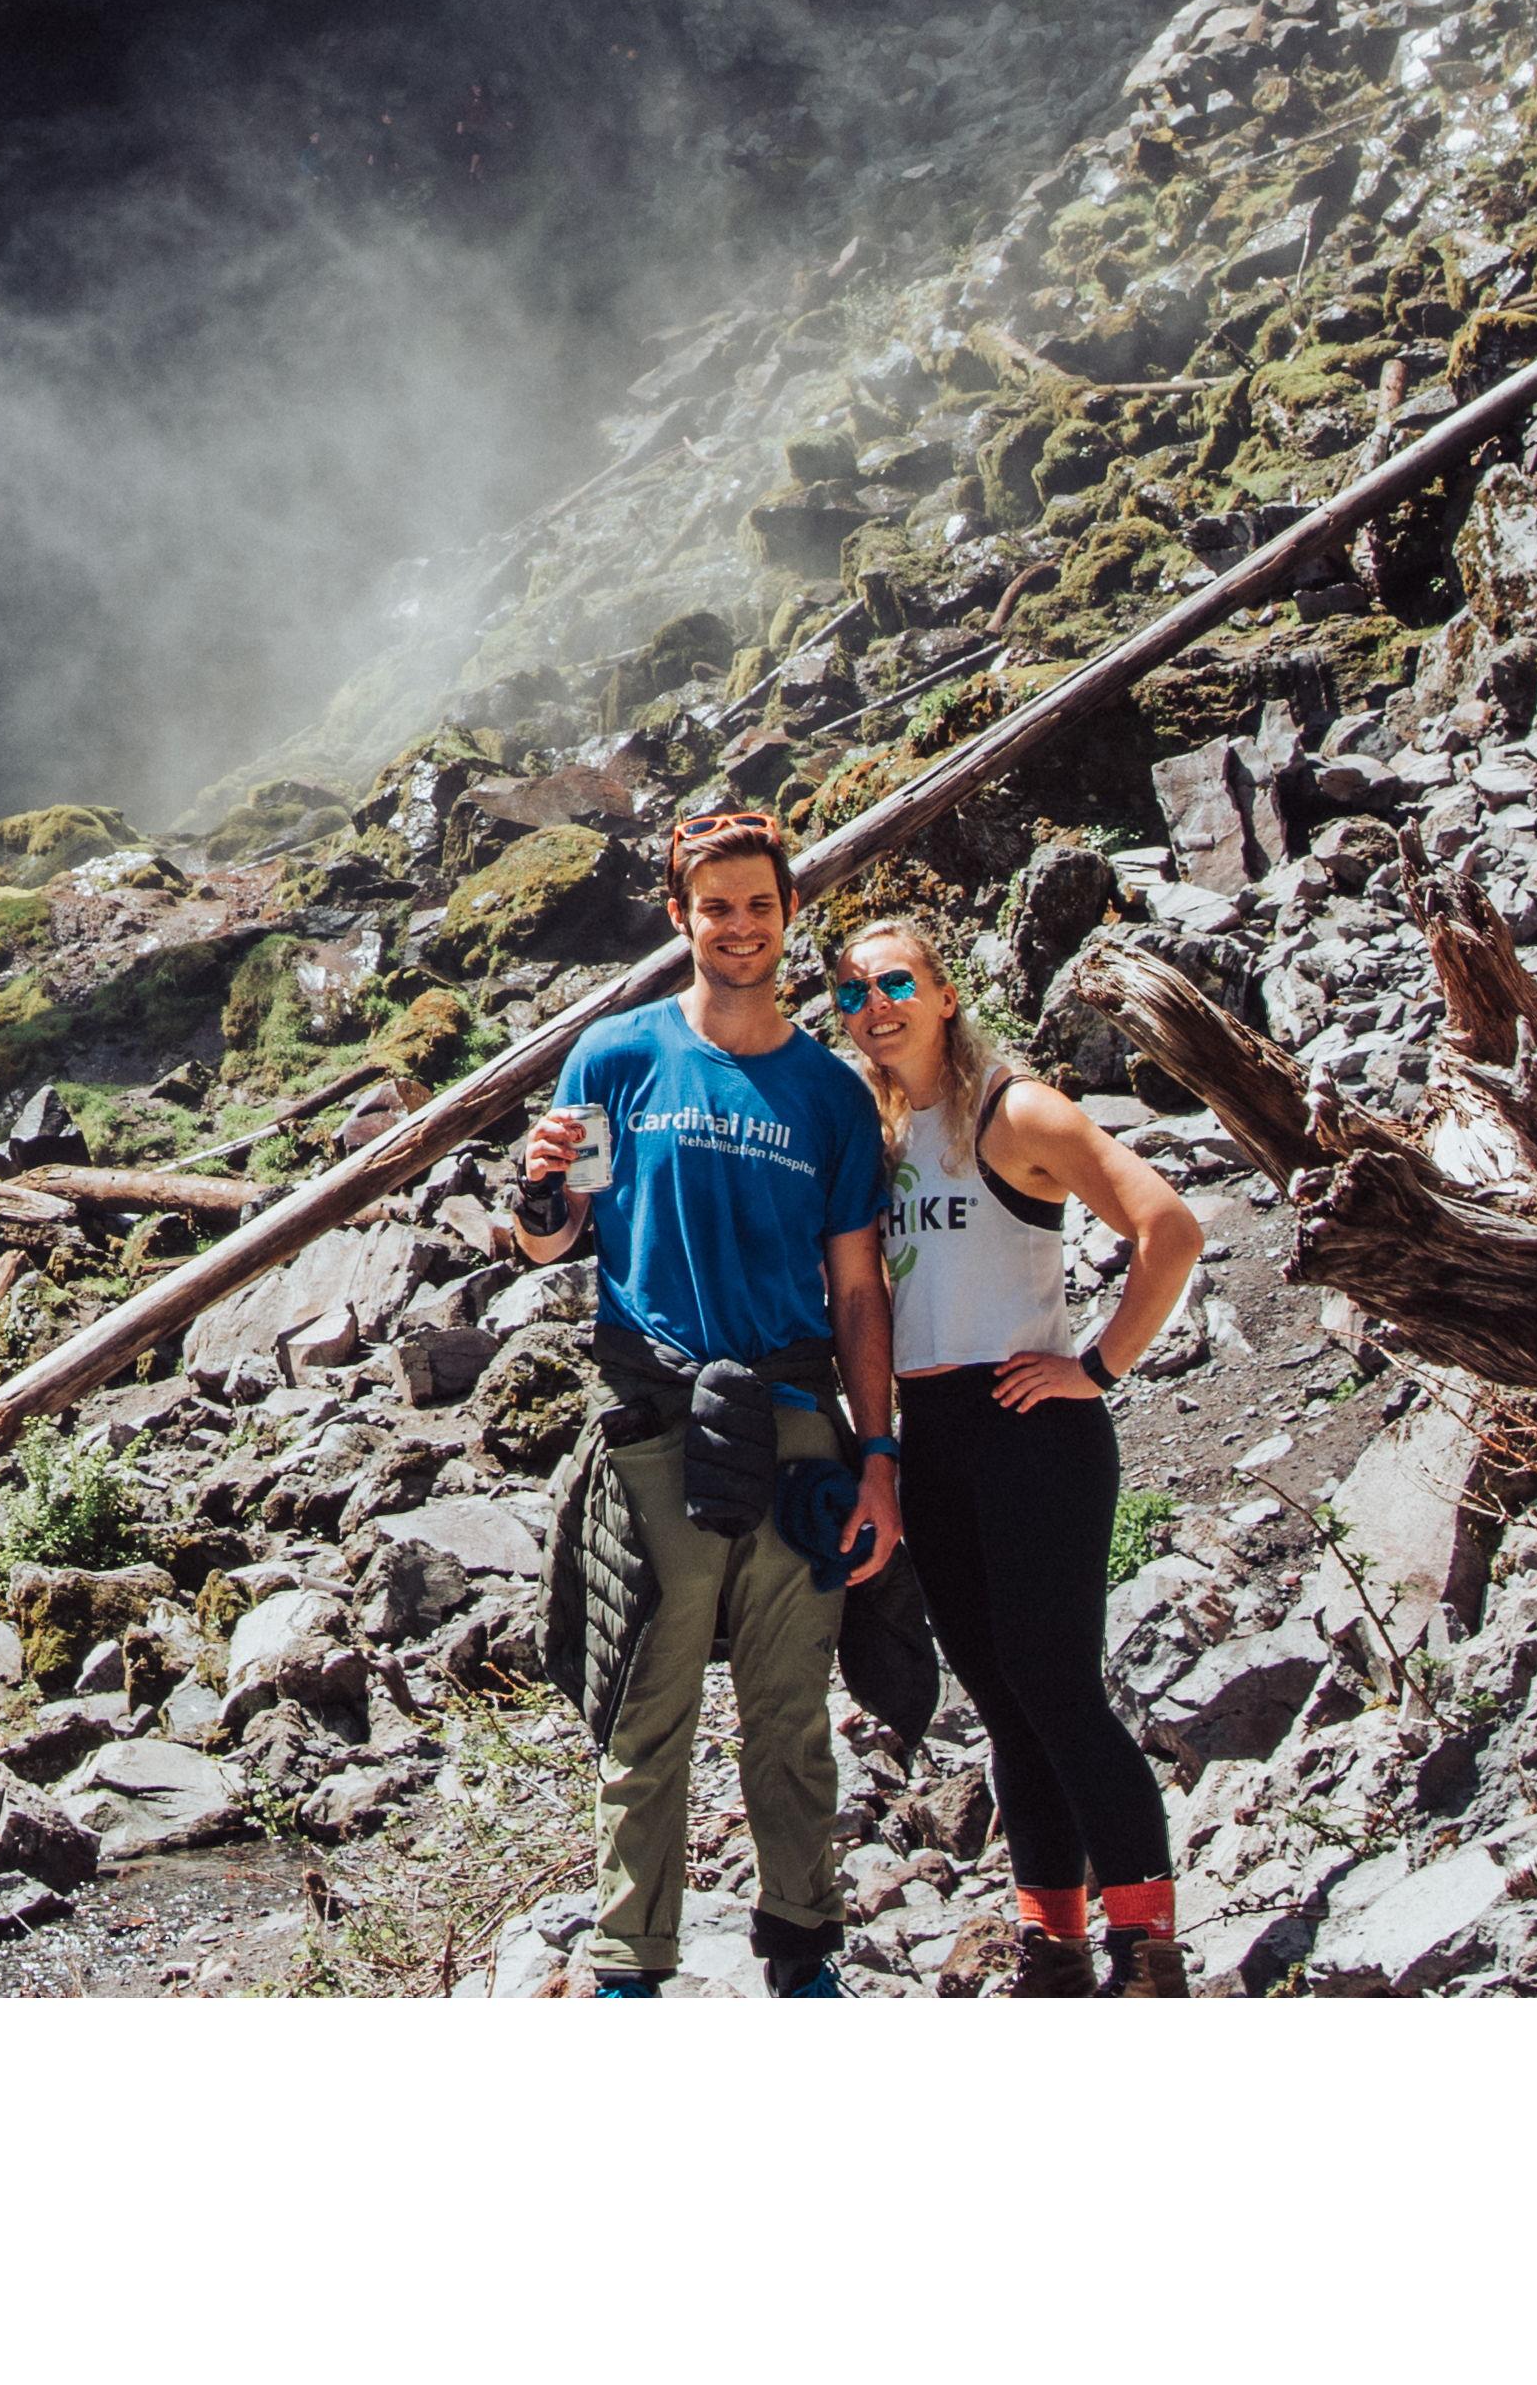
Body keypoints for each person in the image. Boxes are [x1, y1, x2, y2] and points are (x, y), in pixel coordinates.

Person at [515, 806, 898, 1997]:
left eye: (761, 906)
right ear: (680, 917)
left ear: (790, 917)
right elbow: (553, 1239)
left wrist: (877, 1457)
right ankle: (631, 1964)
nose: (741, 927)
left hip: (793, 1425)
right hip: (656, 1424)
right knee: (649, 1707)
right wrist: (534, 1194)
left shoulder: (832, 1097)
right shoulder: (616, 1059)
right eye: (716, 906)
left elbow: (858, 1291)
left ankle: (803, 1949)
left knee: (792, 1712)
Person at [829, 909, 1205, 1996]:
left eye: (895, 983)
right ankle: (1056, 1945)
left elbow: (1168, 1228)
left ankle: (1147, 1949)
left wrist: (1100, 1364)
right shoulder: (885, 1137)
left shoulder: (1015, 1111)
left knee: (1057, 1686)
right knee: (1000, 1699)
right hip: (932, 1439)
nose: (876, 1010)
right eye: (853, 995)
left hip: (1031, 1426)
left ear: (946, 994)